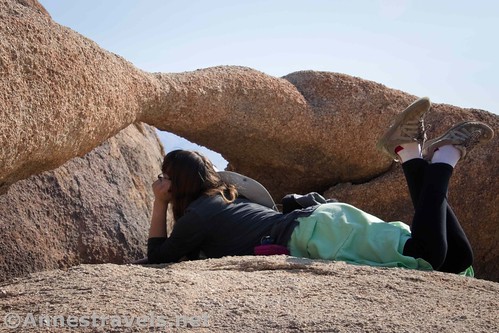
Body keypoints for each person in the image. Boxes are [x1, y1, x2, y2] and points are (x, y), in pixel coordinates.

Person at [147, 97, 494, 274]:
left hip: (319, 233)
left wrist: (160, 203)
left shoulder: (201, 213)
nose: (159, 182)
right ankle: (412, 153)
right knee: (457, 259)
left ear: (179, 182)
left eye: (165, 176)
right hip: (324, 222)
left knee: (427, 255)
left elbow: (159, 257)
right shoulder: (228, 196)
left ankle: (442, 155)